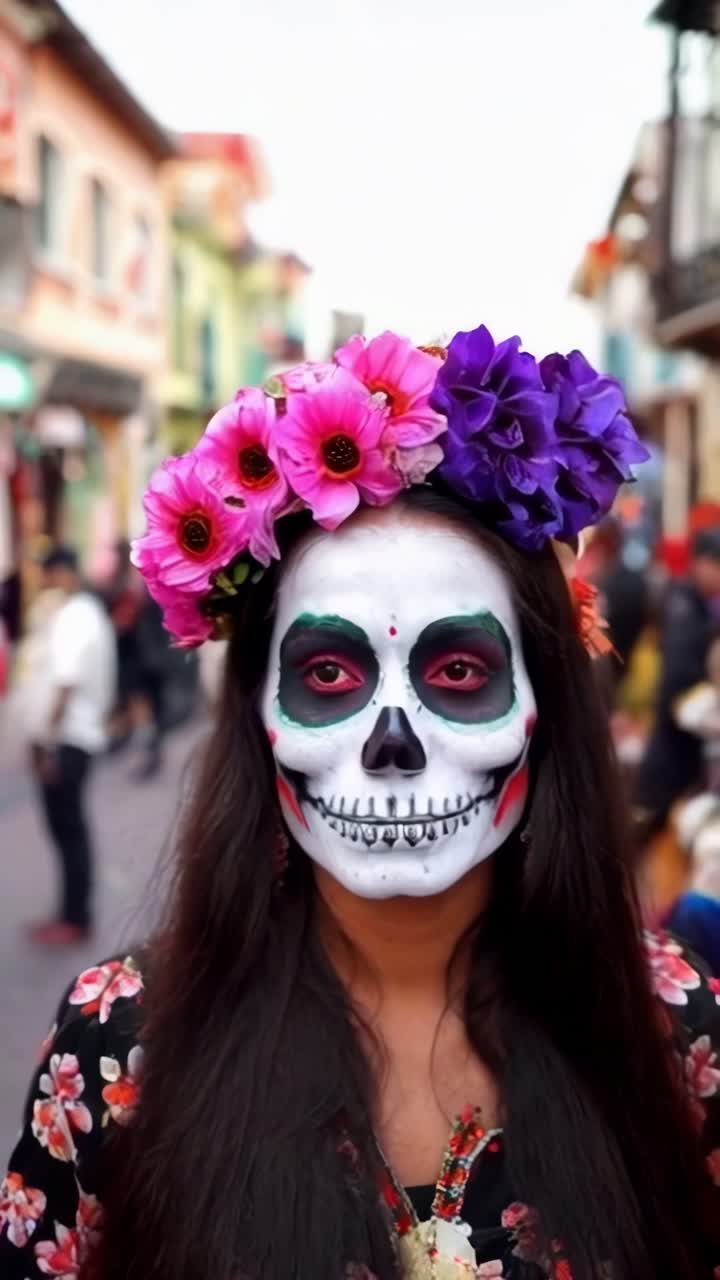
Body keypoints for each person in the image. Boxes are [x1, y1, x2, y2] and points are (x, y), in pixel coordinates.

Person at [2, 328, 719, 1280]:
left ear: (543, 711)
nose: (392, 746)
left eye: (460, 670)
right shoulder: (120, 1047)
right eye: (328, 673)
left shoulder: (678, 1035)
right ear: (257, 717)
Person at [21, 545, 116, 945]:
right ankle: (70, 912)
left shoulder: (75, 616)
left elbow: (65, 681)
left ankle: (75, 917)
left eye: (48, 572)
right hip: (79, 736)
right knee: (69, 829)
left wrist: (45, 742)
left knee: (69, 830)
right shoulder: (88, 612)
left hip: (68, 739)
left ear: (61, 572)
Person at [636, 526, 720, 839]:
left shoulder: (694, 603)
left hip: (683, 749)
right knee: (651, 832)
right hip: (673, 750)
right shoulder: (686, 606)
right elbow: (679, 679)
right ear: (703, 563)